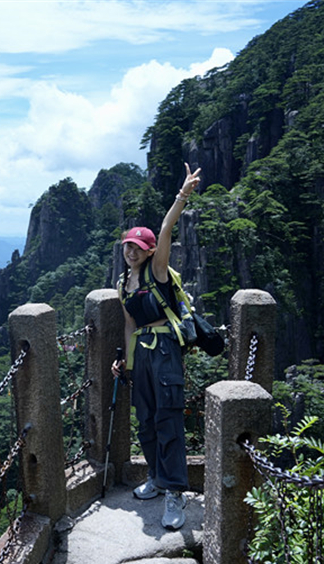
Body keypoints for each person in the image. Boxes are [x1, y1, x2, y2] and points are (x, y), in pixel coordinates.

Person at [112, 162, 201, 530]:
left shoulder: (157, 271)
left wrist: (182, 195)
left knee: (168, 421)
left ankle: (175, 492)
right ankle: (156, 477)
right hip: (143, 356)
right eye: (127, 246)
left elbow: (166, 230)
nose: (131, 252)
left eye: (138, 247)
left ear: (149, 251)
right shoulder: (123, 284)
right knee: (146, 420)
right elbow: (129, 325)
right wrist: (126, 363)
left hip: (165, 351)